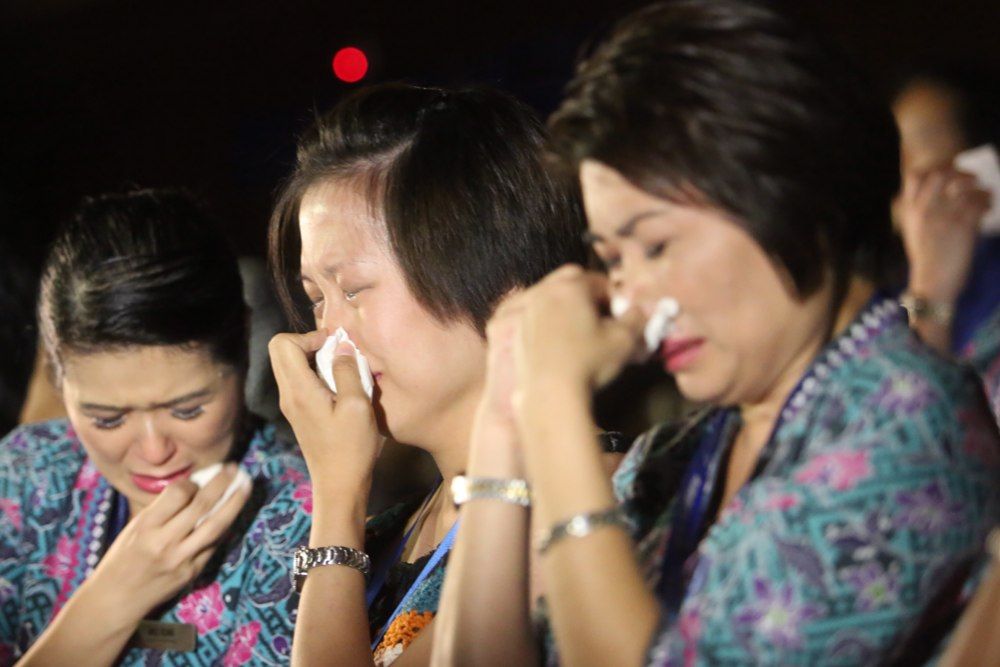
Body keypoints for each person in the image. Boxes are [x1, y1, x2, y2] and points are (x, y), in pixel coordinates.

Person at [432, 1, 1000, 665]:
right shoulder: (670, 458)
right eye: (613, 259)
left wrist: (554, 407)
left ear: (791, 200)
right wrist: (504, 421)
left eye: (656, 245)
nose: (632, 297)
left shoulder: (913, 426)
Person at [266, 83, 590, 666]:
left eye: (353, 289)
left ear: (500, 278)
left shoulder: (579, 509)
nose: (330, 335)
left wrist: (337, 495)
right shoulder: (395, 531)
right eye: (316, 298)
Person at [0, 190, 311, 665]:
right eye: (107, 418)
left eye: (187, 410)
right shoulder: (24, 475)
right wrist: (109, 603)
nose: (153, 451)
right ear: (56, 374)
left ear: (244, 345)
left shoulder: (304, 517)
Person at [892, 66, 1000, 419]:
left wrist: (932, 297)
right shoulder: (884, 295)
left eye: (922, 145)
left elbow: (912, 422)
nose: (906, 178)